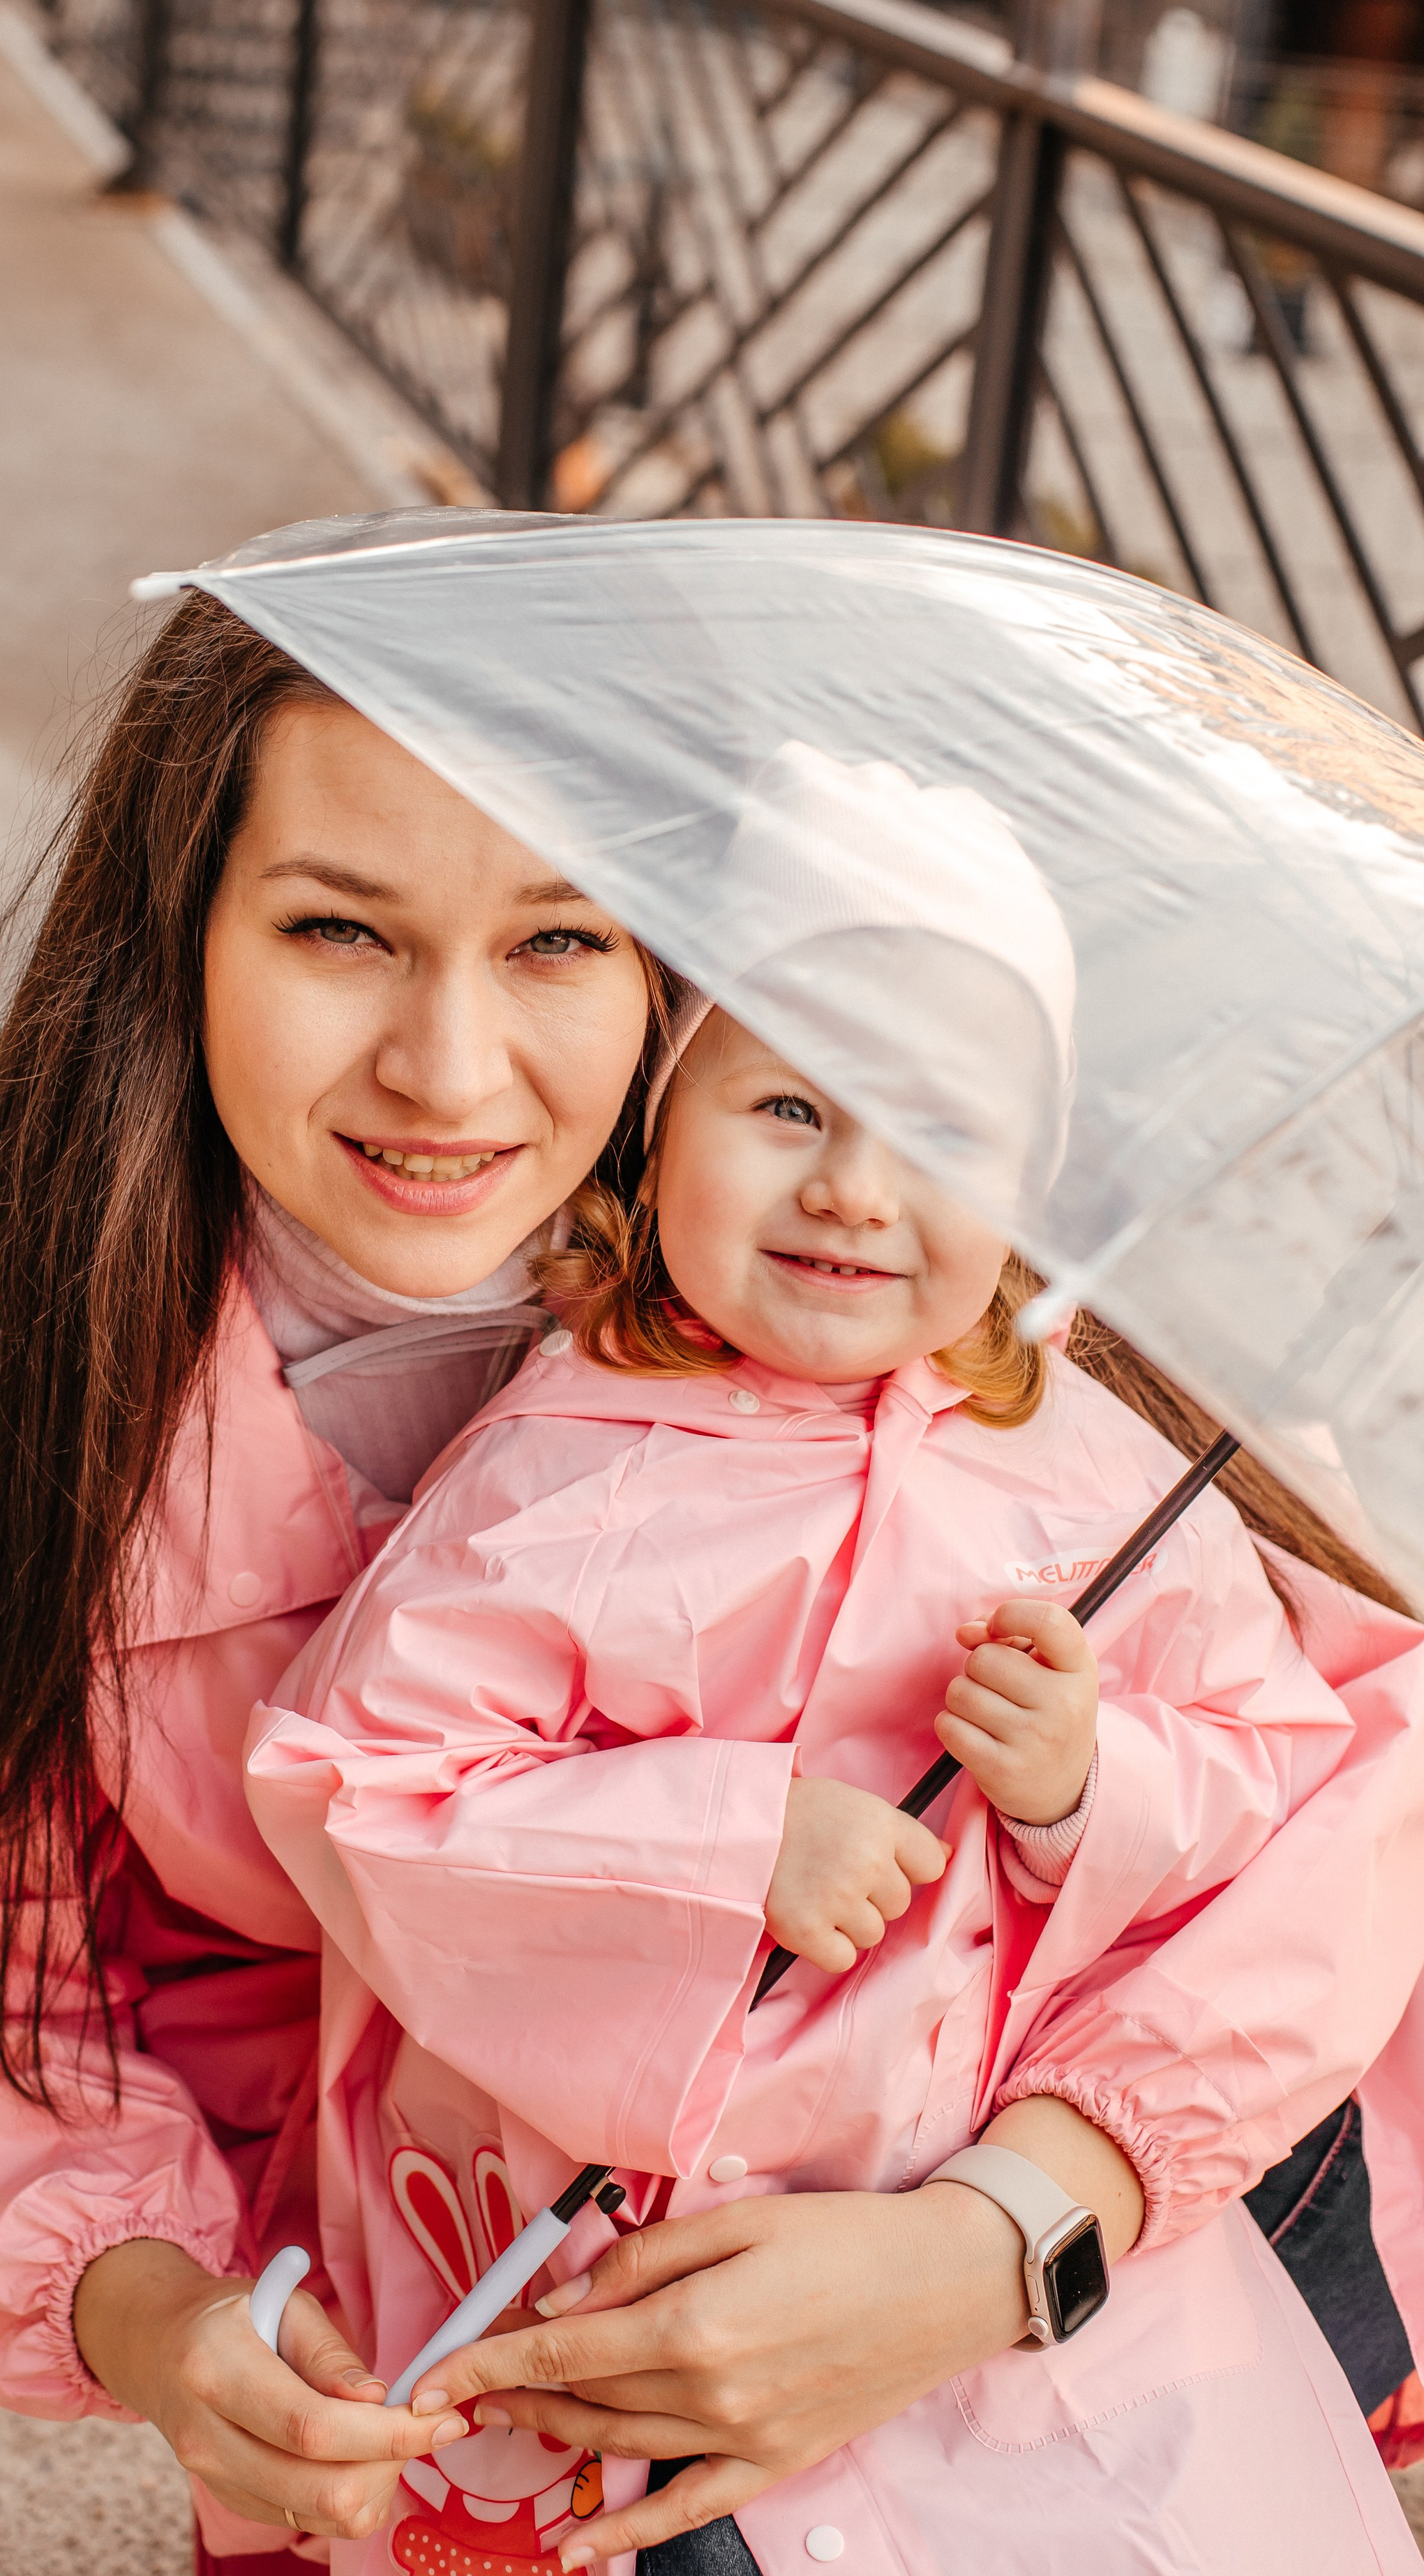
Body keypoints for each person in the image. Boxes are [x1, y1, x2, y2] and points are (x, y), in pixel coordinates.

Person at [0, 562, 1424, 2571]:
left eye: (559, 938)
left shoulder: (901, 1297)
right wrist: (169, 2320)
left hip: (1073, 2228)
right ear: (174, 937)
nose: (449, 1072)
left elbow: (1355, 1784)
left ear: (680, 970)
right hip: (482, 2335)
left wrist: (1002, 2242)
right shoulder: (5, 1387)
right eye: (339, 931)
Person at [246, 987, 1420, 2570]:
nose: (856, 1189)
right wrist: (728, 1847)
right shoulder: (561, 1468)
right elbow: (361, 1782)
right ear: (655, 1134)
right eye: (786, 1108)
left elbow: (1268, 1752)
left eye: (940, 1134)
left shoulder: (1093, 1476)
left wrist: (1087, 1787)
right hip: (642, 2269)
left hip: (996, 2230)